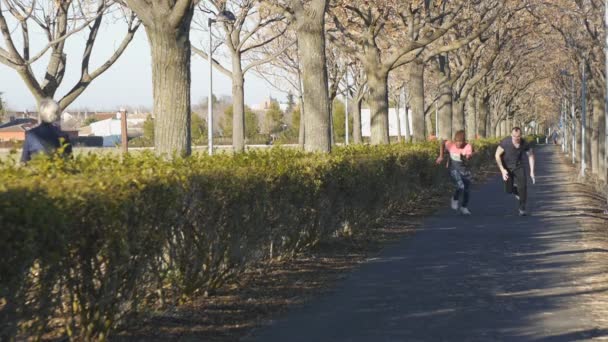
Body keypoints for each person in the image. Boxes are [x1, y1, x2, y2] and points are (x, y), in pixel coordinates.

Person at [495, 127, 535, 216]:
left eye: (518, 136)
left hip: (519, 166)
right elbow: (497, 155)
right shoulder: (505, 142)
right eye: (514, 136)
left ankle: (522, 208)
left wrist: (532, 171)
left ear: (521, 135)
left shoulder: (524, 143)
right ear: (511, 135)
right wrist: (502, 170)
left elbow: (531, 155)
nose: (516, 138)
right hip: (506, 168)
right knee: (508, 190)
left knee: (523, 186)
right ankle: (517, 192)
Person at [21, 98, 72, 163]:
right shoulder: (63, 136)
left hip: (37, 171)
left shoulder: (30, 135)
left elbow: (24, 161)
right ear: (57, 114)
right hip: (58, 171)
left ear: (41, 113)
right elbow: (70, 162)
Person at [436, 130, 474, 215]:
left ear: (464, 141)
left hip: (465, 171)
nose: (458, 144)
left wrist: (467, 157)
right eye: (457, 142)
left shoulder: (468, 147)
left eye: (461, 142)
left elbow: (469, 157)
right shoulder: (451, 145)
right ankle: (455, 199)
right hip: (454, 169)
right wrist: (441, 156)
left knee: (466, 190)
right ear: (454, 140)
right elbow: (442, 142)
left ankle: (464, 207)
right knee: (461, 186)